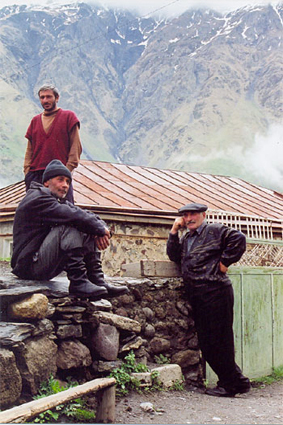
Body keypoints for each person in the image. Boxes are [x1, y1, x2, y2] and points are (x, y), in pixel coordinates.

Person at [11, 159, 129, 300]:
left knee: (85, 224)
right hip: (28, 267)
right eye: (60, 180)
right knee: (71, 224)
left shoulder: (55, 200)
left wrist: (101, 228)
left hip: (42, 265)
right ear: (46, 182)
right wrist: (97, 229)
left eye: (68, 181)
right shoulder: (37, 198)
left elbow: (86, 215)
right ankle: (78, 282)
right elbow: (74, 216)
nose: (65, 185)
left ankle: (96, 280)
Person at [166, 202, 251, 397]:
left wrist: (224, 263)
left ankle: (231, 384)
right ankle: (237, 382)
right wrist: (173, 231)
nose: (188, 219)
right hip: (199, 294)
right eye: (185, 215)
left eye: (192, 214)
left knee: (219, 341)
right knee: (209, 342)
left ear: (203, 214)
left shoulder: (214, 229)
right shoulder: (187, 237)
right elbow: (173, 256)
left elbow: (239, 238)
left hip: (216, 291)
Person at [23, 84, 82, 203]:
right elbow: (29, 149)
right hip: (36, 175)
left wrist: (66, 171)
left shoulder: (68, 117)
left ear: (57, 98)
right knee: (35, 213)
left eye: (49, 97)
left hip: (59, 175)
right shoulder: (35, 121)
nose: (45, 100)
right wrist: (27, 172)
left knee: (64, 212)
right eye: (42, 97)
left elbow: (76, 147)